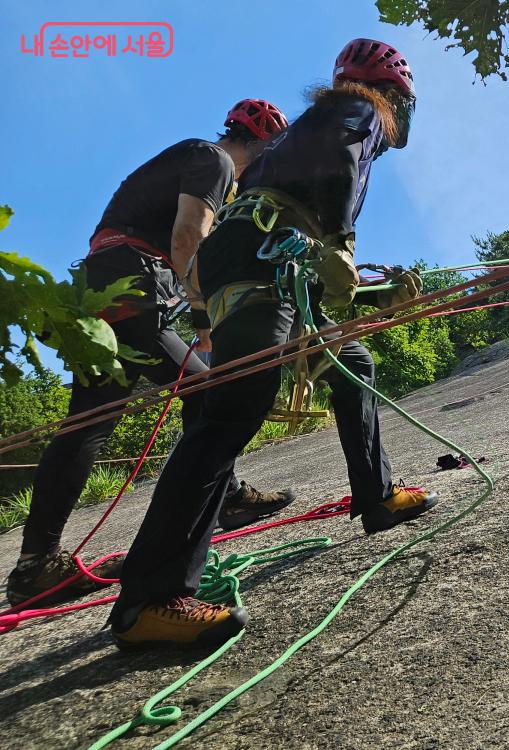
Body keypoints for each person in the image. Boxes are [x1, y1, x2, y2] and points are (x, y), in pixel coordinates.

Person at [109, 39, 433, 650]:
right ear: (394, 95)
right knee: (234, 409)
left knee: (349, 361)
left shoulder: (294, 136)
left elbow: (286, 228)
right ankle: (150, 600)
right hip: (271, 257)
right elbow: (339, 170)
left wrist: (365, 292)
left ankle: (379, 495)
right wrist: (340, 245)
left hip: (258, 257)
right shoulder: (358, 111)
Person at [5, 101, 296, 609]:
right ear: (259, 144)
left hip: (103, 290)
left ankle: (36, 565)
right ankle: (223, 499)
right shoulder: (215, 160)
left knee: (90, 421)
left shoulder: (189, 156)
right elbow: (189, 236)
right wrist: (207, 321)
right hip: (133, 288)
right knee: (209, 390)